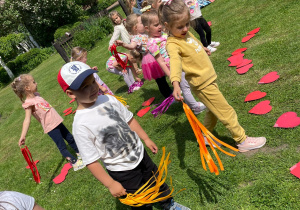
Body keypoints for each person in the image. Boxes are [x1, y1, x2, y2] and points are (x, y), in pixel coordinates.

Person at [57, 61, 190, 210]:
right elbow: (91, 161)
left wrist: (145, 138)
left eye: (93, 81)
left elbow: (129, 119)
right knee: (140, 200)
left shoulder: (108, 99)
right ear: (70, 93)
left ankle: (168, 204)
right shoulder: (80, 125)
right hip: (122, 170)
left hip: (139, 153)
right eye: (85, 87)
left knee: (156, 181)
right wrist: (110, 183)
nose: (93, 87)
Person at [159, 0, 266, 152]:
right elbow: (175, 63)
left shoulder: (186, 34)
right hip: (202, 84)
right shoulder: (172, 43)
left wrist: (202, 48)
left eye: (187, 24)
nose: (185, 29)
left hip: (208, 79)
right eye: (180, 26)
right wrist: (175, 83)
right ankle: (242, 140)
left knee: (212, 111)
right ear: (167, 25)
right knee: (225, 110)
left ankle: (206, 137)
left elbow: (193, 40)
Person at [11, 74, 85, 171]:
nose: (36, 83)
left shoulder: (37, 95)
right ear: (27, 88)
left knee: (70, 138)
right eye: (33, 82)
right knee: (62, 146)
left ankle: (81, 153)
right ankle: (75, 163)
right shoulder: (28, 104)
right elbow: (27, 119)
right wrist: (23, 135)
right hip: (51, 127)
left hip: (57, 121)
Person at [141, 6, 206, 114]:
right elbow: (160, 61)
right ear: (147, 29)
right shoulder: (151, 43)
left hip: (181, 61)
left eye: (160, 23)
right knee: (185, 87)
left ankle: (197, 99)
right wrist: (170, 75)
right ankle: (195, 107)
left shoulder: (164, 34)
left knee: (190, 81)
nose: (159, 26)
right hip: (173, 68)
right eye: (156, 25)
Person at [116, 13, 173, 99]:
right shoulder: (136, 38)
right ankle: (168, 96)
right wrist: (123, 44)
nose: (144, 23)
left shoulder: (146, 32)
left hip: (157, 54)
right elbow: (132, 46)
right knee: (160, 80)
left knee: (164, 77)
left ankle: (172, 90)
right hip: (151, 60)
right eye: (142, 22)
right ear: (136, 28)